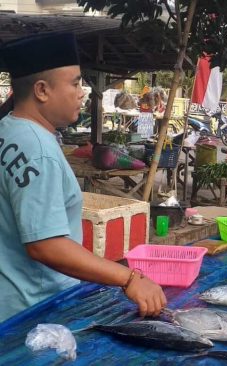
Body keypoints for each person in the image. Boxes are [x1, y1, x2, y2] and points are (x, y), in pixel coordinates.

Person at [0, 33, 166, 322]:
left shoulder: (8, 129)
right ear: (41, 90)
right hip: (35, 311)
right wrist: (130, 278)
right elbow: (45, 244)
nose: (82, 92)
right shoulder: (39, 150)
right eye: (75, 83)